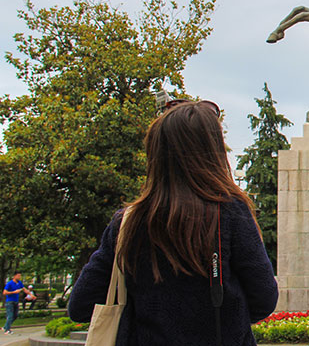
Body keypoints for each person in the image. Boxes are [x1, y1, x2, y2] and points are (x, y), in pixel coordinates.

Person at [68, 99, 279, 345]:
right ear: (214, 150)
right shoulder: (230, 212)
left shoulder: (127, 222)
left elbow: (81, 305)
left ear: (155, 152)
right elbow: (263, 299)